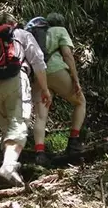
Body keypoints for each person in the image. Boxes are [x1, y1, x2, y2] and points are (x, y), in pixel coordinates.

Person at [0, 11, 52, 187]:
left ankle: (9, 172)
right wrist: (45, 89)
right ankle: (7, 168)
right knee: (19, 125)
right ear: (14, 23)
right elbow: (38, 62)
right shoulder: (21, 34)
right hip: (15, 81)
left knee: (7, 127)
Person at [31, 13, 86, 164]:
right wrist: (75, 79)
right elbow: (67, 55)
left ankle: (40, 153)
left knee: (41, 115)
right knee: (80, 102)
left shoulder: (36, 35)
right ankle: (73, 142)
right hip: (56, 71)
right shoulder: (60, 31)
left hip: (38, 76)